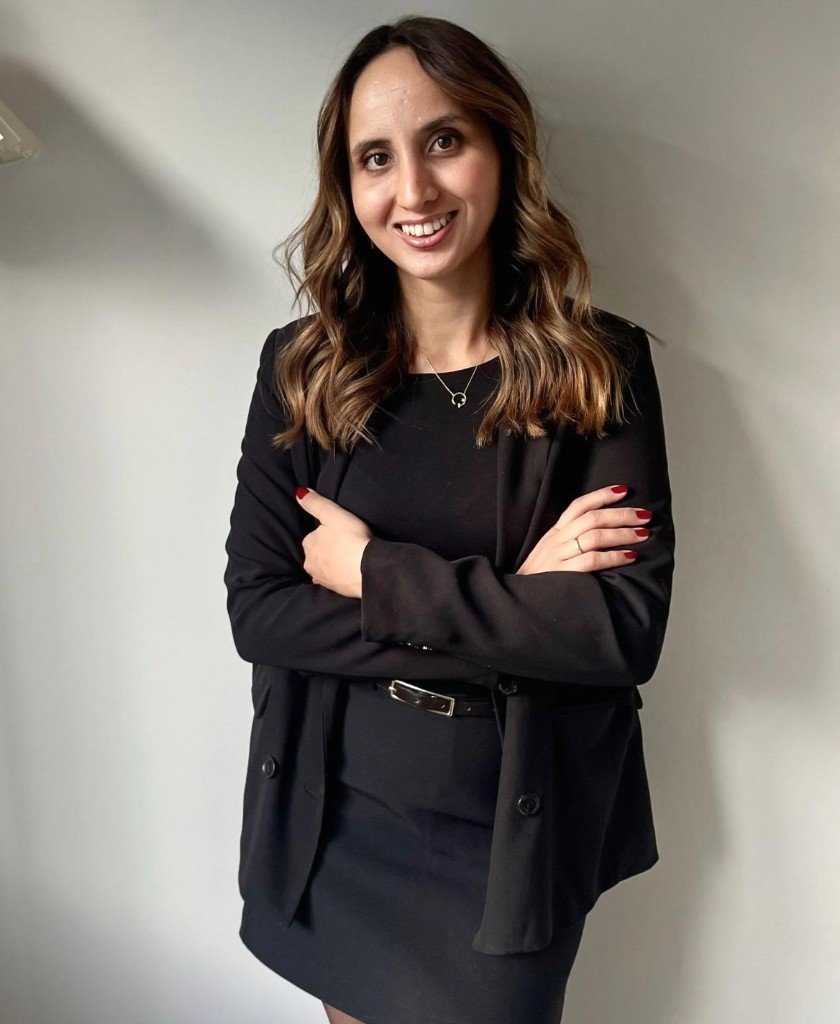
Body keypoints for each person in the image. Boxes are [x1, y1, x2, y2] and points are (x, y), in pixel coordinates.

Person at [223, 15, 676, 1024]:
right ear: (347, 187)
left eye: (443, 140)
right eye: (376, 158)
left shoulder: (599, 368)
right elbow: (261, 610)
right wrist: (519, 603)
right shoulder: (302, 370)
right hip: (338, 813)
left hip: (511, 831)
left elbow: (619, 631)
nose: (414, 191)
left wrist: (373, 574)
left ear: (502, 151)